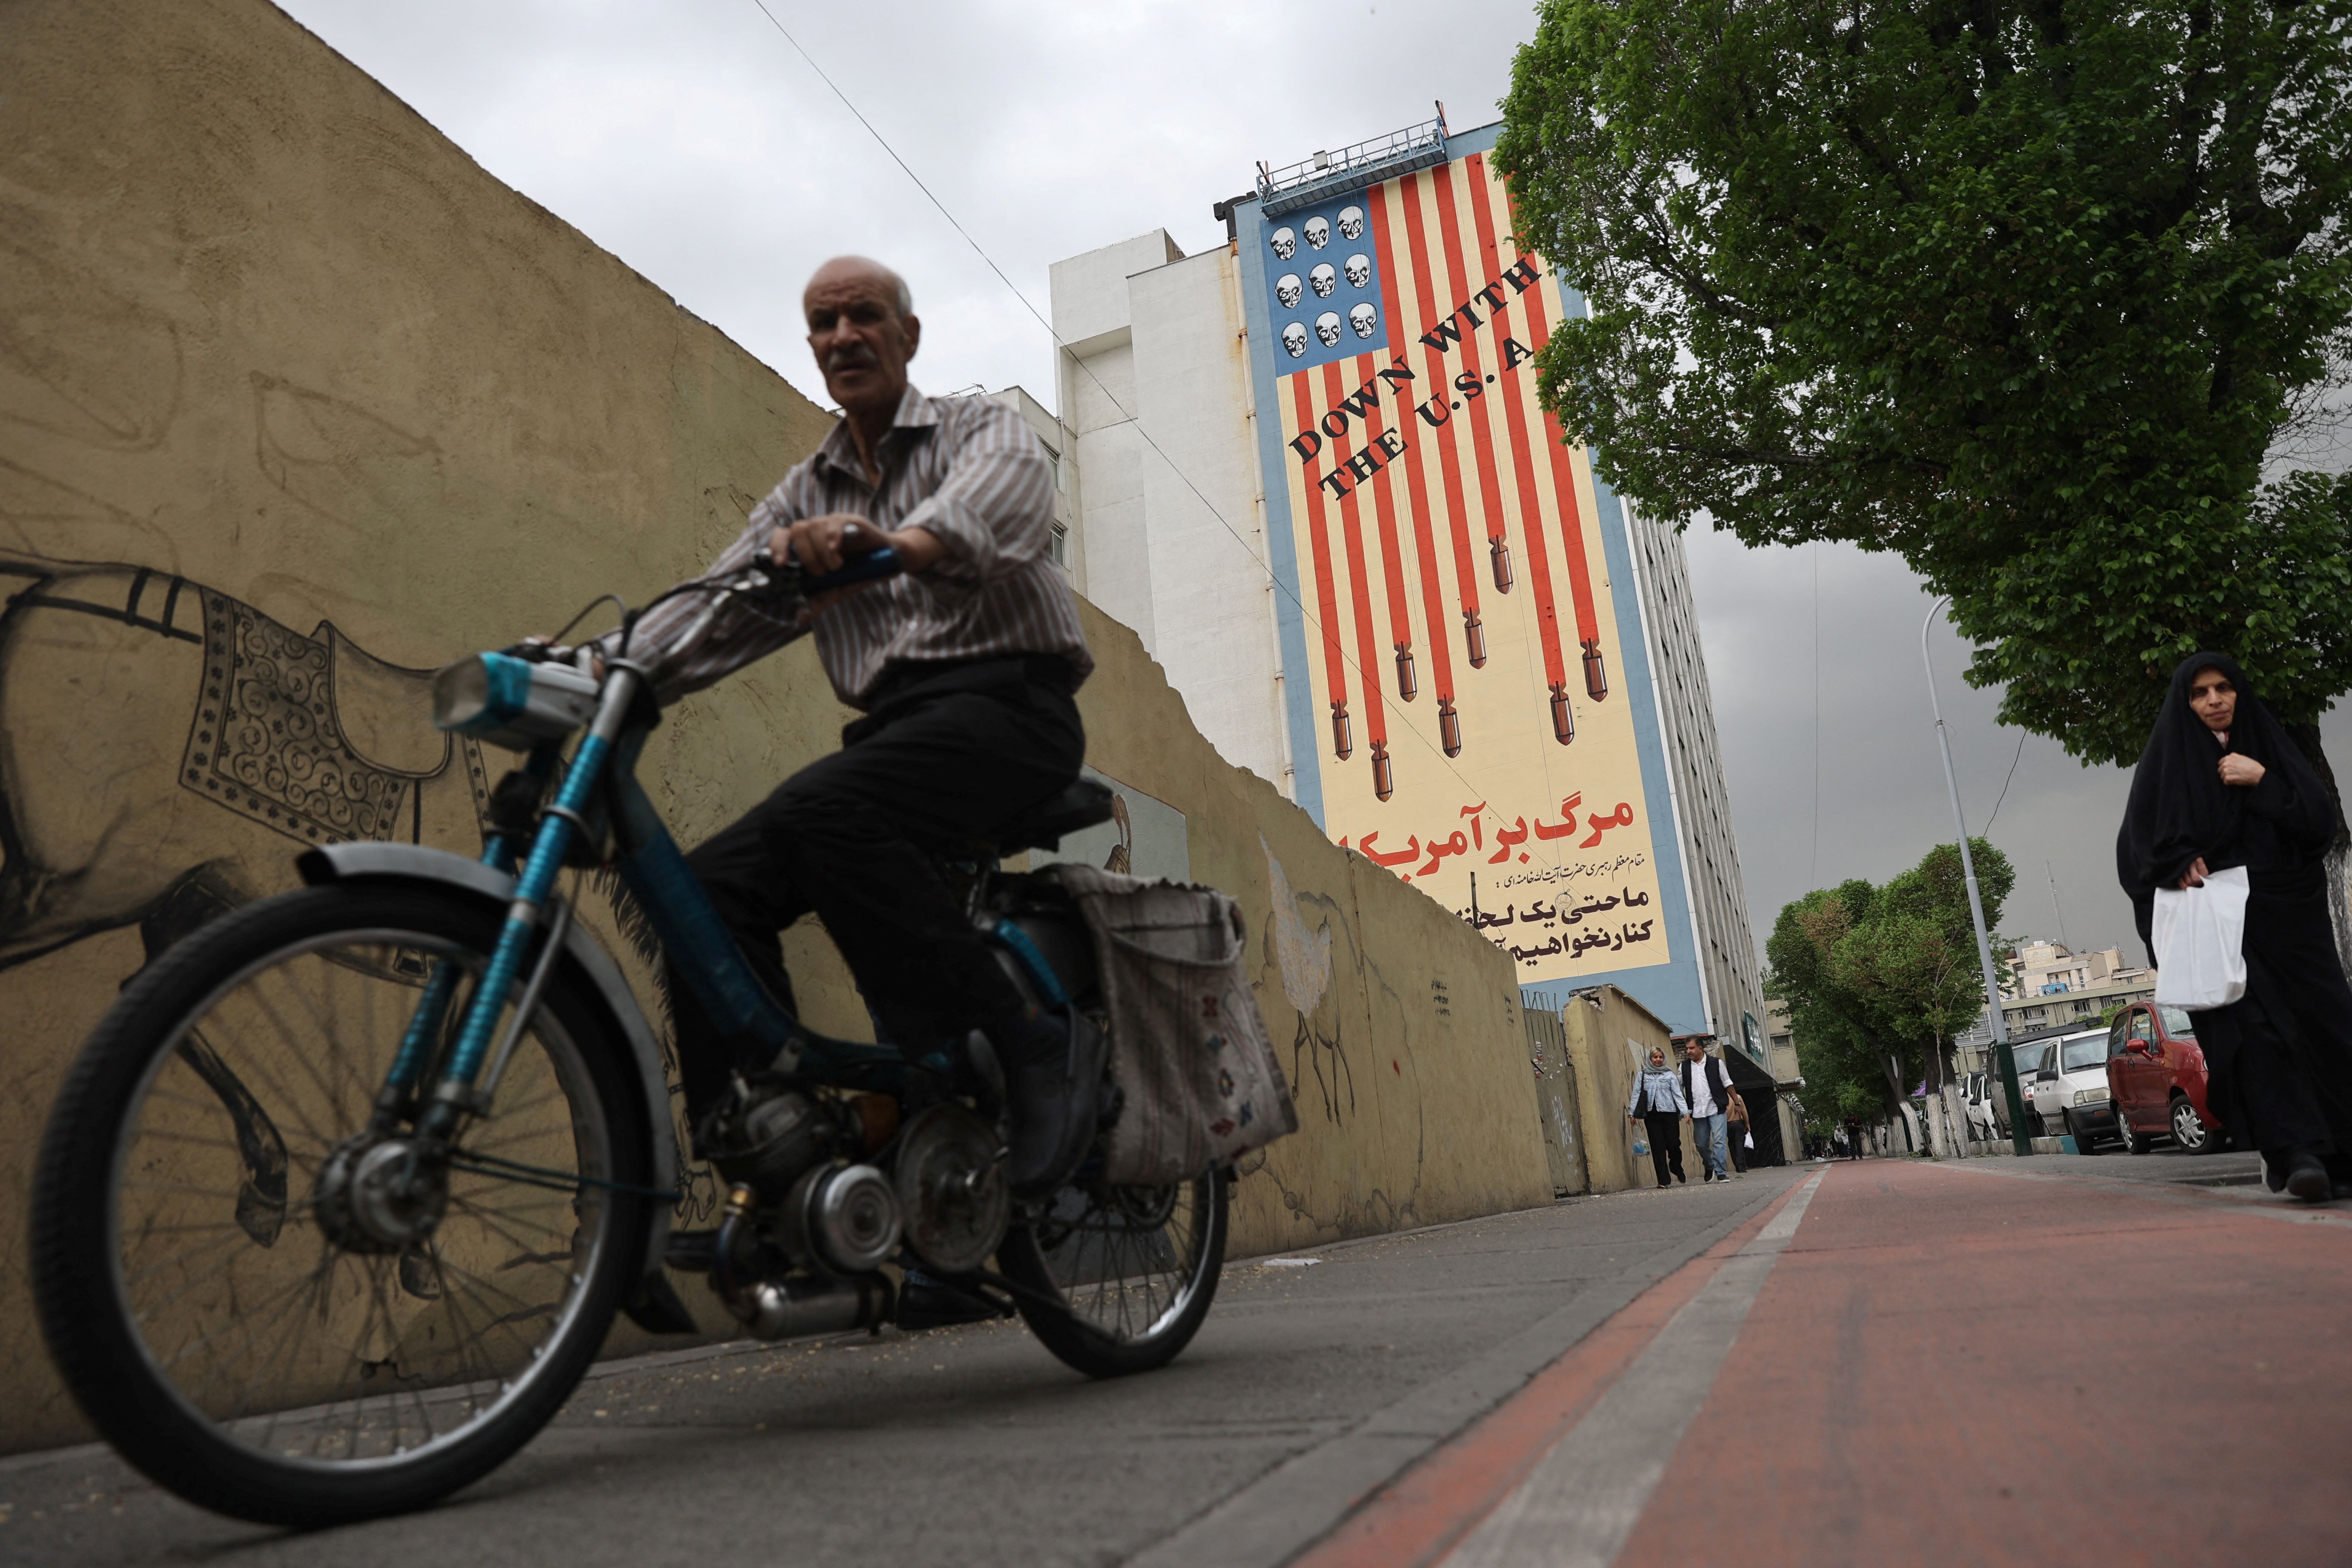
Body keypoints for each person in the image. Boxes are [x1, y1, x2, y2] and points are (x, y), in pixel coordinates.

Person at [605, 257, 1100, 1213]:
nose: (844, 336)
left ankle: (1033, 1043)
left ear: (907, 337)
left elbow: (1000, 506)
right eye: (824, 322)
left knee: (821, 807)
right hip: (900, 736)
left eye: (864, 316)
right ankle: (776, 1137)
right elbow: (716, 611)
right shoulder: (801, 497)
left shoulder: (975, 428)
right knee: (703, 891)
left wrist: (895, 545)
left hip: (1014, 709)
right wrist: (594, 668)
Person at [2116, 652, 2352, 1202]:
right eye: (2200, 694)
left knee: (2327, 1029)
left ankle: (2341, 1150)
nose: (2215, 700)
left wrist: (2262, 780)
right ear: (2185, 703)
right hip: (2220, 936)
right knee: (2255, 1042)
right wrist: (2175, 866)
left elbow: (2318, 825)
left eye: (2224, 689)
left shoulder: (2270, 752)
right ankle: (2298, 1155)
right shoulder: (2166, 767)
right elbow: (2137, 853)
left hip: (2292, 927)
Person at [1626, 1044, 1691, 1187]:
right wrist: (1632, 1113)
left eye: (1661, 1057)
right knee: (1658, 1147)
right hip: (1652, 1116)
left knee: (1674, 1145)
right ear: (1650, 1059)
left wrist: (1685, 1111)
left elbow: (1678, 1094)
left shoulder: (1669, 1075)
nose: (1658, 1060)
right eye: (1655, 1057)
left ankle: (1676, 1167)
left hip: (1670, 1114)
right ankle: (1663, 1181)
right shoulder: (1643, 1075)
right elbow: (1636, 1094)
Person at [1679, 1037, 1735, 1182]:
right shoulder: (1684, 1067)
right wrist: (1683, 1109)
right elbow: (1678, 1089)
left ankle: (1721, 1172)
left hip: (1716, 1108)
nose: (1688, 1051)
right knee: (1701, 1144)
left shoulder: (1716, 1063)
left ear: (1700, 1048)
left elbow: (1727, 1083)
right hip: (1697, 1112)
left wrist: (1737, 1102)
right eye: (1687, 1049)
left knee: (1719, 1140)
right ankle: (1709, 1165)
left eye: (1691, 1048)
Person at [1725, 1084, 1751, 1173]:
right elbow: (1744, 1111)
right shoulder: (1738, 1097)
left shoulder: (1723, 1099)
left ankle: (1736, 1165)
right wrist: (1747, 1124)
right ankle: (1741, 1166)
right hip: (1739, 1123)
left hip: (1727, 1124)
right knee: (1739, 1144)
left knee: (1732, 1145)